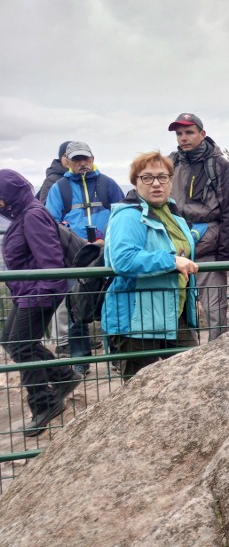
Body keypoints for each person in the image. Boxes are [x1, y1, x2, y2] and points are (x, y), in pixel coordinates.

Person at [101, 152, 200, 381]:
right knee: (138, 390)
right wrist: (171, 260)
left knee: (192, 380)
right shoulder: (128, 216)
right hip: (137, 321)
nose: (156, 184)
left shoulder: (173, 215)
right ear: (136, 182)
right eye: (147, 178)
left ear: (170, 181)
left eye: (163, 177)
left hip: (174, 313)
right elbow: (123, 260)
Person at [0, 169, 83, 437]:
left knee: (22, 346)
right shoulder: (23, 213)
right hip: (28, 292)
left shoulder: (32, 215)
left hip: (39, 293)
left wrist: (42, 295)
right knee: (11, 341)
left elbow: (50, 259)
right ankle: (64, 377)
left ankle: (44, 404)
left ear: (8, 195)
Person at [44, 140, 125, 375]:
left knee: (112, 304)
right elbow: (52, 223)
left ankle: (117, 356)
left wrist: (106, 241)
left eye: (85, 158)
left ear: (92, 158)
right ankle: (80, 360)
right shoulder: (60, 188)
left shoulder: (108, 184)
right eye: (76, 159)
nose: (82, 163)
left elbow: (122, 215)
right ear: (67, 161)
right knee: (75, 308)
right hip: (75, 257)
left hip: (105, 252)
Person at [168, 113, 229, 342]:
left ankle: (217, 360)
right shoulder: (172, 162)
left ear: (202, 134)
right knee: (177, 308)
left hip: (210, 248)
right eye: (179, 134)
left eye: (189, 132)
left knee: (215, 311)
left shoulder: (218, 165)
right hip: (177, 249)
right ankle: (182, 356)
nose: (183, 138)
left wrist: (224, 255)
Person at [38, 140, 72, 357]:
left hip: (69, 245)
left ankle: (72, 339)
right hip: (58, 246)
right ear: (63, 159)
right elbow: (46, 217)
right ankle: (63, 342)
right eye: (72, 157)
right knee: (63, 293)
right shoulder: (54, 183)